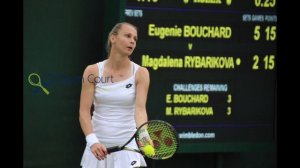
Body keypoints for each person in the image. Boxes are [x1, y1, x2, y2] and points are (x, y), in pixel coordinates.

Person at [79, 22, 150, 168]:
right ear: (113, 38)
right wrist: (92, 141)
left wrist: (143, 135)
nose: (132, 41)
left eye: (135, 39)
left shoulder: (141, 73)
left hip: (129, 146)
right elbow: (84, 111)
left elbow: (140, 109)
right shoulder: (92, 71)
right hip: (97, 147)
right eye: (128, 36)